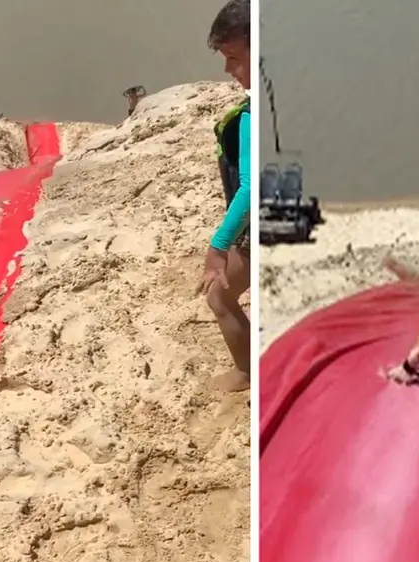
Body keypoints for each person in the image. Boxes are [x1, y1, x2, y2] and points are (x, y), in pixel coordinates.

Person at [196, 0, 251, 393]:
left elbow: (250, 187)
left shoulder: (252, 117)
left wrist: (218, 246)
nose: (228, 69)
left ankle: (247, 372)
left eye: (234, 57)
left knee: (219, 296)